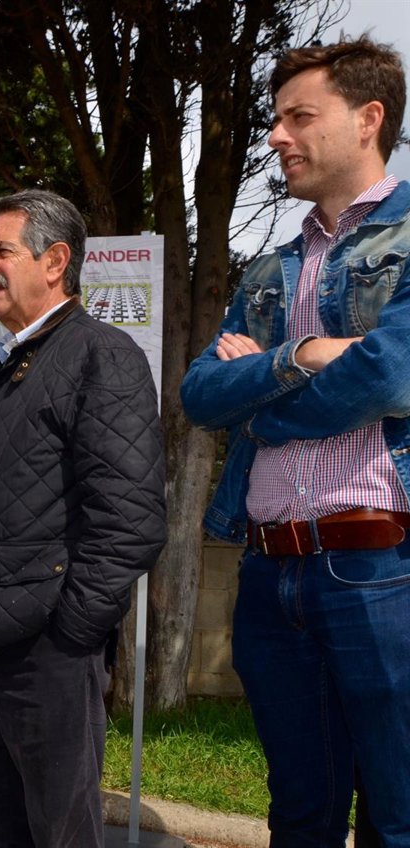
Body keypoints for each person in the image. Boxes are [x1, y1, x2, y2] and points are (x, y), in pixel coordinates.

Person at [181, 36, 410, 846]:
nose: (277, 135)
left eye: (299, 117)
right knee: (299, 818)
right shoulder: (270, 270)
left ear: (368, 119)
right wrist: (303, 356)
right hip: (268, 572)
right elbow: (199, 394)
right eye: (277, 119)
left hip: (381, 571)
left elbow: (388, 377)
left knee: (398, 819)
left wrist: (262, 403)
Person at [0, 189, 166, 847]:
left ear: (55, 261)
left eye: (1, 250)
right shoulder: (17, 360)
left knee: (58, 829)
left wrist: (69, 635)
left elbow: (132, 520)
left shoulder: (100, 354)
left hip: (47, 650)